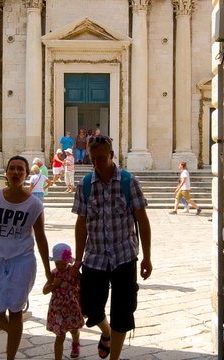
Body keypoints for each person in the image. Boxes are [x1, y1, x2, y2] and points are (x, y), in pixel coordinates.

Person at [72, 135, 152, 360]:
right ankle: (106, 333)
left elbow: (142, 221)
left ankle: (114, 358)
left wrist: (147, 257)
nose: (96, 163)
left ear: (111, 155)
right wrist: (78, 259)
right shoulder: (85, 185)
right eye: (93, 158)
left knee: (123, 312)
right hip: (95, 257)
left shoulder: (128, 182)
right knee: (89, 307)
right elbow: (81, 224)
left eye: (101, 158)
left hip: (124, 256)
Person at [0, 156, 53, 360]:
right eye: (12, 168)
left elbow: (41, 239)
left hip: (22, 262)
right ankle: (14, 333)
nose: (16, 172)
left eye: (20, 169)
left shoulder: (34, 205)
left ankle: (11, 356)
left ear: (26, 174)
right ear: (6, 172)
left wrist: (48, 271)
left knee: (15, 311)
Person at [43, 242, 84, 360]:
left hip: (72, 308)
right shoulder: (54, 273)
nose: (60, 266)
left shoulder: (74, 272)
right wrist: (53, 284)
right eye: (57, 263)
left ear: (68, 261)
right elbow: (45, 291)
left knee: (74, 331)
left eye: (63, 263)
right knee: (59, 336)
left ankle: (75, 344)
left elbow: (82, 287)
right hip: (58, 311)